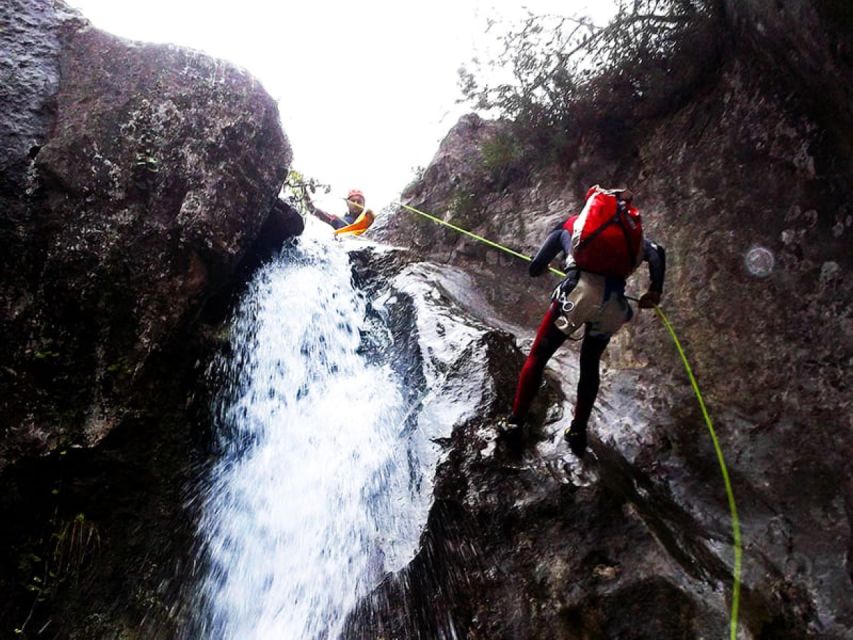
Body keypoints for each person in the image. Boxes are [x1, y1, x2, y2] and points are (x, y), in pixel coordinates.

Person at [502, 185, 666, 458]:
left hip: (578, 294)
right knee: (589, 366)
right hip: (614, 303)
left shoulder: (572, 226)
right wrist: (655, 291)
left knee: (538, 356)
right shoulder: (637, 241)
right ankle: (577, 431)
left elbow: (534, 269)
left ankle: (515, 422)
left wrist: (547, 266)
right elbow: (658, 253)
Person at [307, 188, 376, 237]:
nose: (356, 204)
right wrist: (305, 194)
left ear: (364, 204)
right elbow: (314, 211)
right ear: (347, 204)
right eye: (353, 201)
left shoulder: (373, 221)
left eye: (359, 201)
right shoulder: (338, 220)